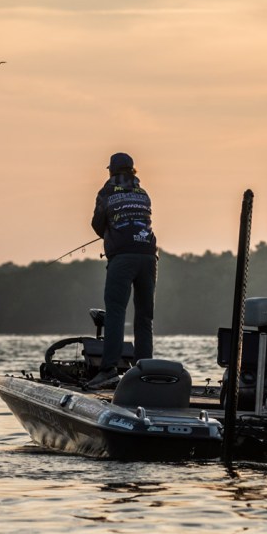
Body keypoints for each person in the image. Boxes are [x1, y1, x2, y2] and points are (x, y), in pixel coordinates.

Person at [86, 152, 158, 389]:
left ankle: (108, 370)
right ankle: (144, 371)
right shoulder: (143, 193)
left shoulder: (106, 192)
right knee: (144, 317)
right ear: (133, 170)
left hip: (123, 258)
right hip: (148, 255)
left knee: (116, 313)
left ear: (111, 171)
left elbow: (97, 224)